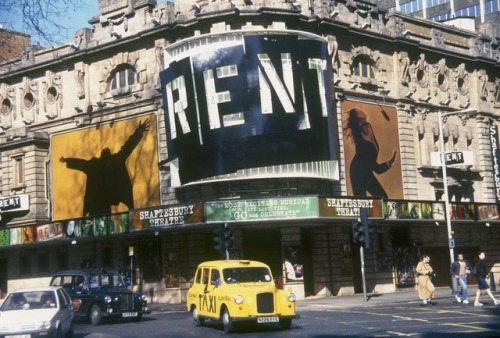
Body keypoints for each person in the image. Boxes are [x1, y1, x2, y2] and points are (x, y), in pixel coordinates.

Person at [59, 119, 150, 216]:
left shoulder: (115, 161)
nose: (107, 160)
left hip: (110, 195)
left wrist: (138, 132)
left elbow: (128, 147)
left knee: (106, 215)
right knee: (100, 214)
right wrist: (68, 160)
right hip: (99, 199)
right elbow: (82, 164)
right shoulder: (96, 165)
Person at [343, 107, 398, 198]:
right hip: (357, 171)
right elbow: (376, 168)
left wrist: (392, 160)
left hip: (366, 171)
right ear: (357, 118)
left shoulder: (368, 126)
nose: (362, 110)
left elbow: (377, 169)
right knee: (362, 202)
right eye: (359, 111)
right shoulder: (358, 136)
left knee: (383, 197)